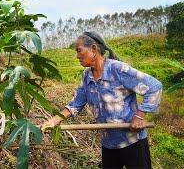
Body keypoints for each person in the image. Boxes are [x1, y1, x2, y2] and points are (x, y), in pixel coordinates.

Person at [41, 31, 162, 169]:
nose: (77, 56)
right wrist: (53, 121)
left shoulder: (117, 69)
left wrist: (139, 116)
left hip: (132, 141)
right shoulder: (87, 76)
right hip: (108, 144)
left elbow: (154, 86)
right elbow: (75, 104)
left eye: (79, 51)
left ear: (93, 49)